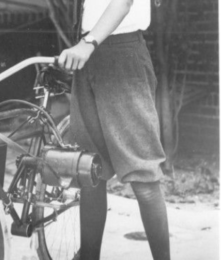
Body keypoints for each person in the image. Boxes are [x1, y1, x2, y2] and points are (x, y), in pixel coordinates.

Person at [57, 0, 171, 259]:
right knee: (90, 172)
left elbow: (122, 3)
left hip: (121, 53)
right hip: (88, 55)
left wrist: (87, 44)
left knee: (143, 175)